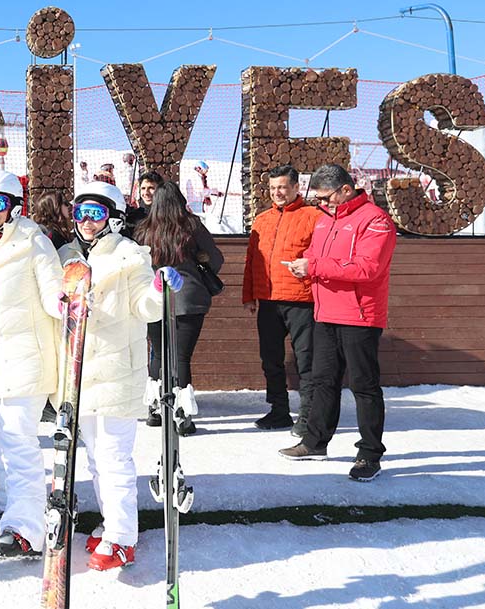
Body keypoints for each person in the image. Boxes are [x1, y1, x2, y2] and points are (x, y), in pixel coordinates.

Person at [58, 180, 168, 570]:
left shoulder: (129, 256)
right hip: (79, 375)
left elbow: (144, 307)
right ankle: (110, 526)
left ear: (114, 218)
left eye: (97, 213)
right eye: (81, 213)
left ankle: (122, 538)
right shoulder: (67, 256)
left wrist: (158, 290)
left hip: (117, 371)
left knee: (114, 458)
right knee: (94, 460)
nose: (87, 222)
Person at [0, 171, 62, 559]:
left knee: (19, 442)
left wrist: (69, 302)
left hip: (27, 359)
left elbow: (54, 293)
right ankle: (10, 511)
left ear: (14, 206)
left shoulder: (34, 242)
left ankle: (27, 528)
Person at [279, 164, 397, 482]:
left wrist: (314, 265)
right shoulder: (324, 220)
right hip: (326, 312)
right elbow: (319, 258)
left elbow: (367, 268)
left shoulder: (375, 219)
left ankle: (370, 453)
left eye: (325, 198)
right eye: (318, 199)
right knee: (322, 381)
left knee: (364, 385)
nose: (322, 204)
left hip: (359, 315)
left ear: (346, 189)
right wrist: (303, 265)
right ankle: (315, 442)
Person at [134, 180, 224, 436]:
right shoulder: (191, 225)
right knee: (181, 357)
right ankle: (181, 415)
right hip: (189, 298)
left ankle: (153, 409)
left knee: (158, 353)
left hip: (154, 298)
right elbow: (215, 259)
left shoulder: (143, 230)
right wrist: (199, 259)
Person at [242, 165, 321, 433]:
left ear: (297, 187)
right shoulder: (262, 220)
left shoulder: (313, 216)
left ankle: (309, 416)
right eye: (273, 188)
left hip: (302, 300)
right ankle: (279, 410)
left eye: (283, 187)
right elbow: (252, 260)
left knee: (306, 360)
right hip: (268, 301)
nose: (277, 192)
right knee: (271, 358)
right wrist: (249, 294)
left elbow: (321, 256)